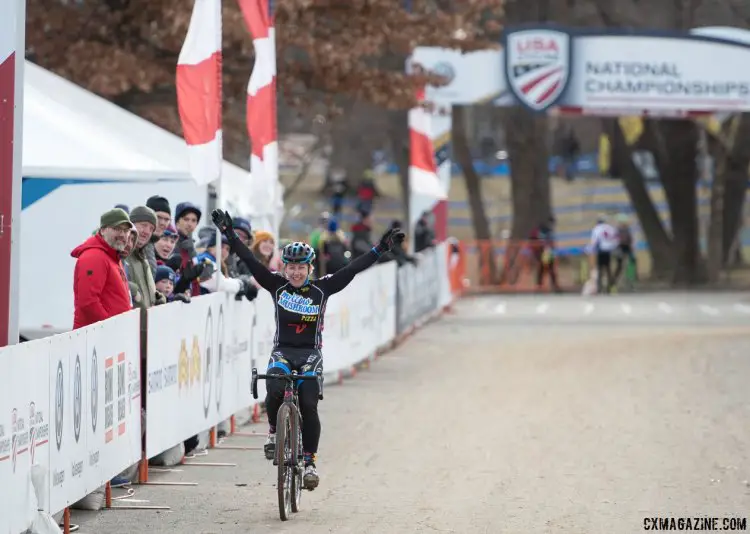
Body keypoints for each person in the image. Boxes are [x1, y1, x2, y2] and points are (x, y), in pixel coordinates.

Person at [211, 208, 405, 491]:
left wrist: (380, 249)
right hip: (283, 351)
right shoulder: (276, 285)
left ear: (309, 268)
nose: (296, 272)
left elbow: (352, 269)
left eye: (301, 267)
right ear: (284, 267)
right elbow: (250, 261)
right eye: (291, 267)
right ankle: (274, 432)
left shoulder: (322, 289)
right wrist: (228, 233)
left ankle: (310, 461)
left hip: (310, 354)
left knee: (309, 404)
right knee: (275, 388)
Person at [71, 208, 134, 329]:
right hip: (97, 339)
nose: (122, 235)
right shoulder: (94, 257)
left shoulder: (112, 257)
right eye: (116, 229)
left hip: (108, 337)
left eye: (126, 230)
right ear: (103, 230)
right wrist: (110, 328)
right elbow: (88, 303)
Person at [588, 214, 619, 294]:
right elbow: (615, 239)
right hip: (609, 250)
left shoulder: (597, 229)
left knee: (600, 268)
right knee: (608, 268)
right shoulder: (610, 228)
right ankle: (610, 286)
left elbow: (594, 240)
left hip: (601, 249)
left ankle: (600, 287)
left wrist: (591, 249)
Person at [613, 213, 636, 285]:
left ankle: (630, 278)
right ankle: (615, 280)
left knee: (631, 262)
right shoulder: (617, 230)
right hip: (620, 247)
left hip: (627, 247)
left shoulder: (627, 230)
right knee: (620, 265)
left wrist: (632, 246)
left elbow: (631, 239)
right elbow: (615, 240)